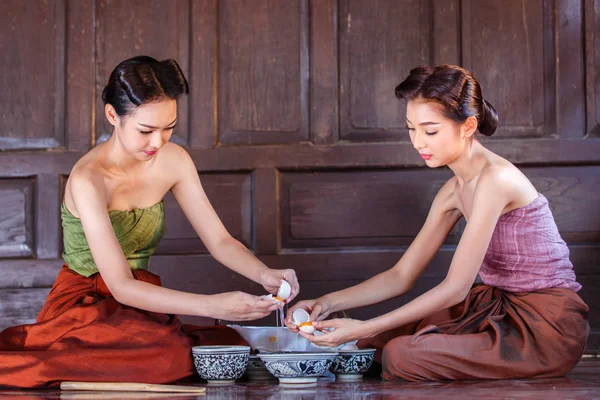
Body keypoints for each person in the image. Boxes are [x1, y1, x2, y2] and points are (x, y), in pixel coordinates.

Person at [0, 56, 299, 388]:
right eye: (146, 130)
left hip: (141, 297)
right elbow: (121, 286)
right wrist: (213, 305)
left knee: (222, 346)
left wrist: (264, 274)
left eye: (169, 127)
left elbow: (220, 241)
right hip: (85, 302)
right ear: (112, 115)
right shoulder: (89, 179)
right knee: (167, 357)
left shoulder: (174, 161)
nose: (158, 142)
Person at [286, 64, 589, 381]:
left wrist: (365, 324)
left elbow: (456, 289)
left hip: (544, 325)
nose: (418, 143)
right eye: (411, 129)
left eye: (430, 131)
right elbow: (401, 276)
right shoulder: (454, 190)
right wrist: (326, 302)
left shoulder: (496, 179)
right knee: (368, 345)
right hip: (494, 307)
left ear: (468, 126)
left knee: (398, 354)